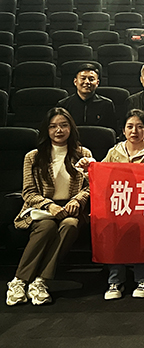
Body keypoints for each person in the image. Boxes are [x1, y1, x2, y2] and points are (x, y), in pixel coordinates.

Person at [6, 108, 92, 306]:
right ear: (46, 130)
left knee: (70, 225)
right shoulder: (33, 157)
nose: (58, 130)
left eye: (63, 125)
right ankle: (19, 281)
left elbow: (90, 187)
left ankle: (41, 281)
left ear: (71, 128)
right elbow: (29, 192)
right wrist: (49, 206)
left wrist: (77, 201)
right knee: (47, 226)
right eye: (53, 126)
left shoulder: (83, 154)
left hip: (71, 208)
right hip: (42, 209)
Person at [102, 109, 144, 300]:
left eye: (139, 127)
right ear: (123, 130)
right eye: (130, 127)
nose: (134, 131)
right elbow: (102, 174)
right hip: (118, 204)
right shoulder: (114, 151)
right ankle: (115, 280)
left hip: (143, 204)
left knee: (141, 230)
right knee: (114, 231)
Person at [56, 63, 117, 132]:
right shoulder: (63, 105)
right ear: (75, 81)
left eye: (91, 79)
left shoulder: (106, 104)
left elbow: (112, 132)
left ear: (97, 83)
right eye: (83, 78)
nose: (87, 82)